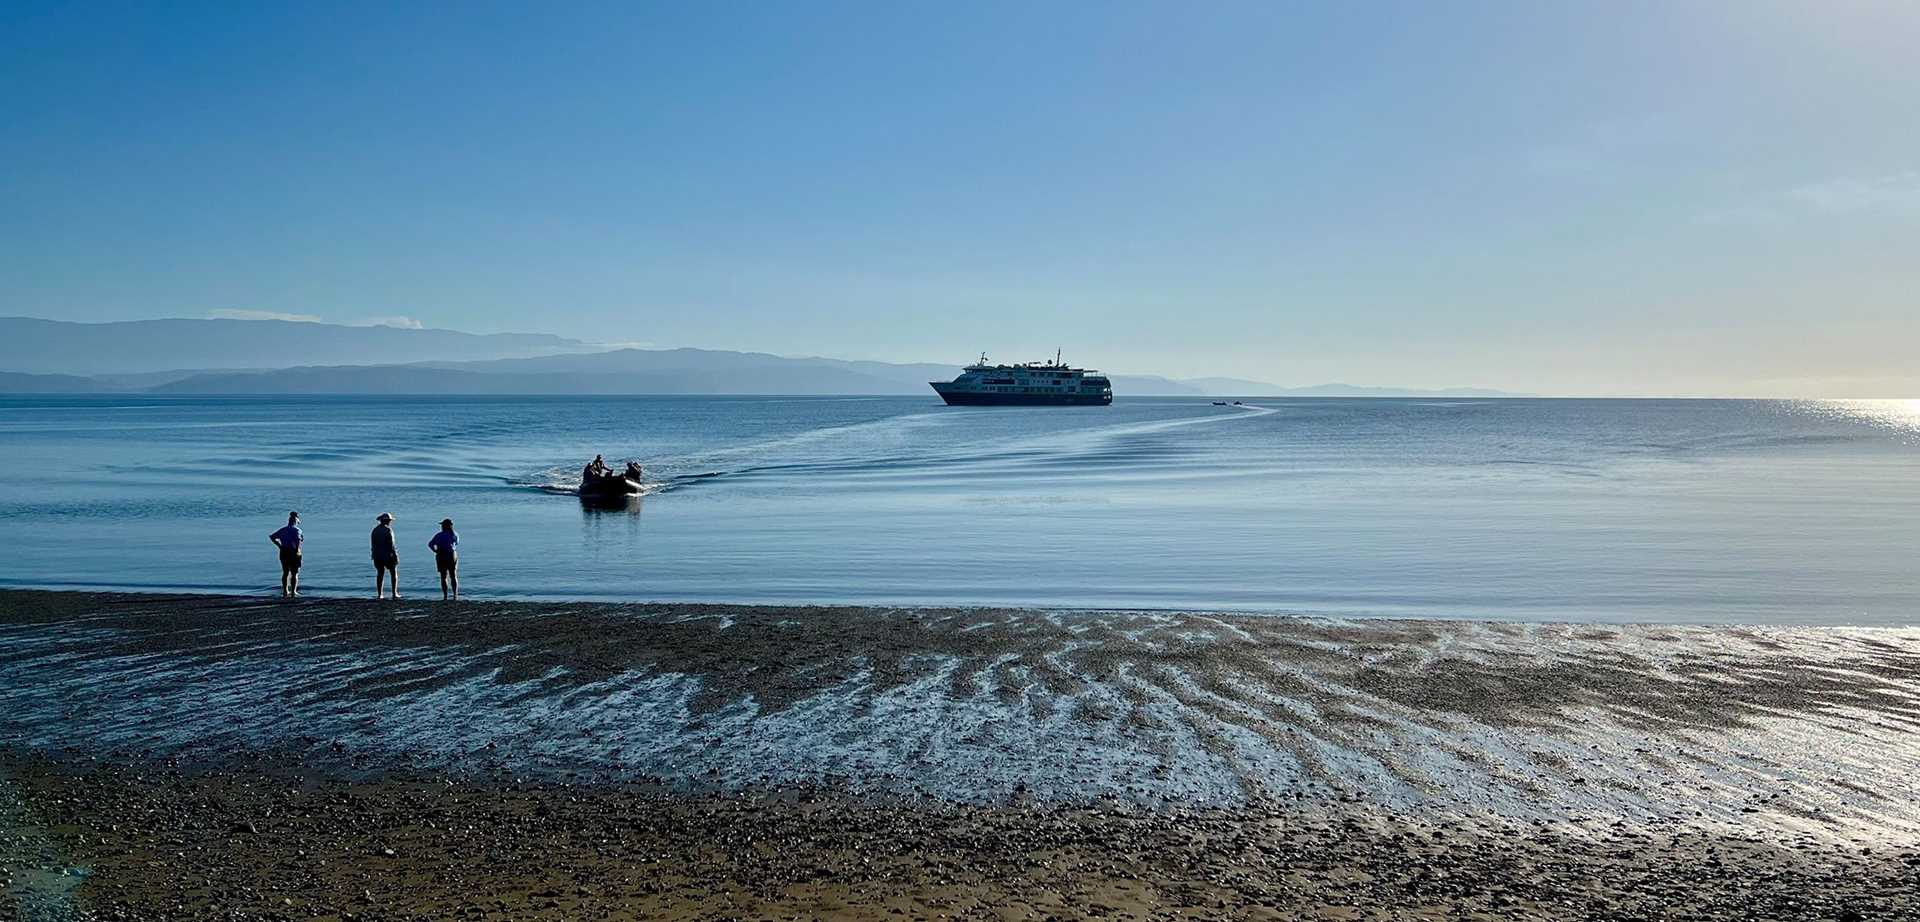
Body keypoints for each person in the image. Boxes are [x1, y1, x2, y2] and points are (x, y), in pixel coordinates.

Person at [268, 511, 303, 598]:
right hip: (293, 552)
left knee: (285, 572)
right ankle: (293, 592)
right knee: (294, 573)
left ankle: (285, 590)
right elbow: (298, 541)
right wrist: (297, 550)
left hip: (284, 552)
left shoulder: (283, 530)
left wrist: (279, 546)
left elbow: (272, 537)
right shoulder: (297, 530)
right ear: (296, 521)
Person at [428, 518, 459, 600]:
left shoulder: (439, 535)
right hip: (452, 554)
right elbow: (456, 544)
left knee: (443, 576)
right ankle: (455, 594)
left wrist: (435, 551)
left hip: (441, 554)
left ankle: (445, 595)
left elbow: (430, 544)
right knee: (453, 575)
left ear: (443, 526)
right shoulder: (455, 534)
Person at [371, 512, 400, 599]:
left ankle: (380, 594)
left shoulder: (375, 530)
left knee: (380, 574)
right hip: (388, 555)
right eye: (389, 520)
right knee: (393, 573)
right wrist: (395, 555)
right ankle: (394, 593)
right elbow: (391, 544)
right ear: (387, 521)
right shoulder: (388, 530)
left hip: (377, 555)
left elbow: (373, 544)